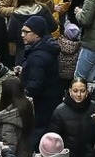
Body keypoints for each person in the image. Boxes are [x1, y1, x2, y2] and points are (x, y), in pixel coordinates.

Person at [20, 15, 64, 145]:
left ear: (38, 35)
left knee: (38, 133)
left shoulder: (37, 57)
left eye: (26, 32)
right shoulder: (43, 49)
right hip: (51, 99)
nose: (22, 35)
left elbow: (34, 86)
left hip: (42, 105)